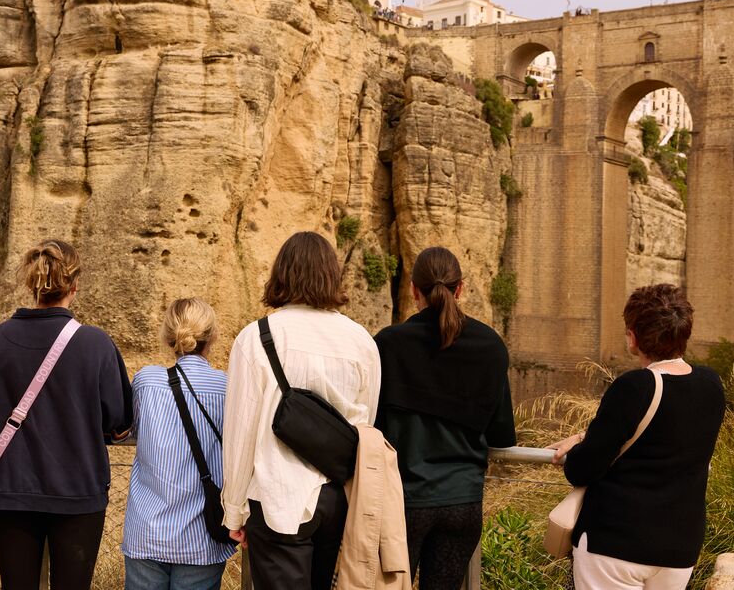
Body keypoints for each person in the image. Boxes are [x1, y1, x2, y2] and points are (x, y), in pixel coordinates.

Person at [221, 231, 381, 590]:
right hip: (336, 498)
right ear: (331, 274)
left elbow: (240, 434)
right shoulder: (361, 341)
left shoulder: (256, 337)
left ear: (282, 274)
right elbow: (365, 424)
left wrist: (234, 511)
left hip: (277, 496)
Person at [0, 239, 133, 590]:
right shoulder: (96, 344)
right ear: (75, 286)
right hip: (77, 492)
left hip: (11, 491)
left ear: (31, 285)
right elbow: (120, 423)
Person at [549, 284, 725, 590]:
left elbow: (581, 469)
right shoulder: (711, 385)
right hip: (678, 550)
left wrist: (580, 444)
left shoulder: (635, 386)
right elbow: (668, 438)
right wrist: (586, 436)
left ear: (633, 337)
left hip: (616, 546)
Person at [374, 246, 516, 590]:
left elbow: (371, 427)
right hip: (462, 502)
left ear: (413, 290)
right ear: (461, 288)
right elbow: (501, 435)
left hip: (403, 503)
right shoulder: (491, 346)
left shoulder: (389, 345)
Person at [122, 298, 236, 589]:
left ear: (167, 336)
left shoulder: (146, 381)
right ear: (211, 338)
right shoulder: (227, 387)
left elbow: (128, 427)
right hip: (202, 536)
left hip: (147, 531)